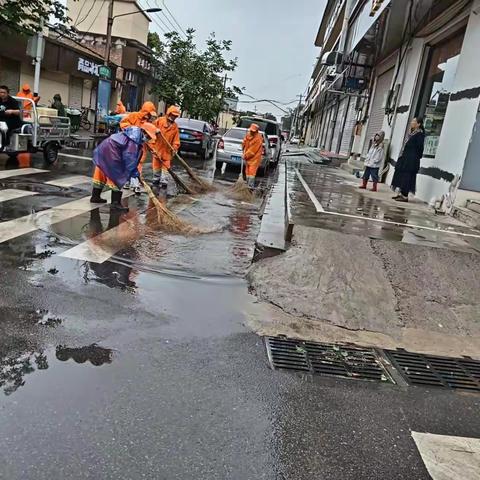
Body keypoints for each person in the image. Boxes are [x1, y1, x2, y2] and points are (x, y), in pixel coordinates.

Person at [90, 123, 158, 211]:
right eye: (148, 137)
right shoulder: (133, 141)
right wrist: (135, 172)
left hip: (104, 150)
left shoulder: (132, 134)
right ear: (144, 132)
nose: (148, 139)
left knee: (101, 172)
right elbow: (129, 159)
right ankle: (115, 204)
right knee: (118, 176)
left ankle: (95, 196)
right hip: (112, 154)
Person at [120, 101, 157, 191]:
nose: (149, 116)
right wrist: (134, 132)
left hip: (141, 147)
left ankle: (135, 182)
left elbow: (150, 137)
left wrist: (153, 149)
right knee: (128, 163)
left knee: (138, 163)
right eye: (148, 113)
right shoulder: (133, 116)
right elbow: (123, 124)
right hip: (130, 145)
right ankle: (128, 182)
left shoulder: (148, 123)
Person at [391, 117, 425, 202]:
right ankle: (400, 194)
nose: (412, 122)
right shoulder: (412, 133)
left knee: (407, 177)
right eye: (412, 121)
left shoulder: (419, 134)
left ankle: (404, 196)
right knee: (401, 175)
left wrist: (413, 157)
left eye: (414, 121)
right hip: (405, 158)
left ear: (418, 124)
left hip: (411, 160)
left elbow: (420, 148)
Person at [152, 105, 181, 188]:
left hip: (167, 151)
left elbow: (176, 140)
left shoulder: (175, 127)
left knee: (166, 168)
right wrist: (155, 131)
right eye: (173, 115)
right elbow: (150, 131)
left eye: (175, 116)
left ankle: (164, 182)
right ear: (169, 114)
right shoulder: (160, 121)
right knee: (156, 167)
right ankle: (155, 180)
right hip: (157, 149)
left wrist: (175, 147)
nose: (174, 117)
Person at [242, 123, 263, 189]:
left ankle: (250, 186)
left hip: (254, 159)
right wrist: (243, 147)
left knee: (251, 173)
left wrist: (245, 155)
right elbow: (244, 142)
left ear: (256, 131)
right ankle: (247, 185)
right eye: (251, 130)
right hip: (248, 158)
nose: (252, 132)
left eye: (253, 131)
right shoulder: (248, 135)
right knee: (247, 172)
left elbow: (252, 151)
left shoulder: (258, 138)